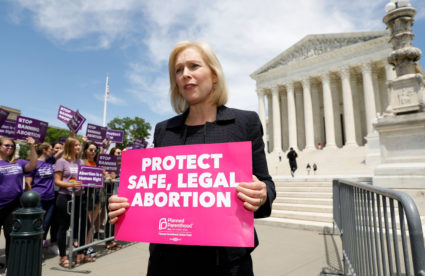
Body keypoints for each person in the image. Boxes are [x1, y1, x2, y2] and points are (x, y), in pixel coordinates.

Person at [108, 40, 276, 275]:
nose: (185, 74)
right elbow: (157, 192)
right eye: (178, 70)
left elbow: (267, 184)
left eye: (194, 66)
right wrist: (124, 205)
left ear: (214, 74)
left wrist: (261, 194)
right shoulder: (163, 130)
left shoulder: (244, 123)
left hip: (227, 264)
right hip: (167, 263)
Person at [54, 137, 93, 268]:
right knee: (64, 227)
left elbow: (85, 177)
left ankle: (80, 253)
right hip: (65, 198)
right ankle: (63, 256)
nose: (79, 147)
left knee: (84, 224)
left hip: (79, 197)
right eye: (76, 145)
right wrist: (71, 183)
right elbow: (57, 181)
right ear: (70, 147)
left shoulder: (81, 161)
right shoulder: (61, 161)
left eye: (79, 145)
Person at [0, 137, 37, 267]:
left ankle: (11, 263)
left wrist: (32, 147)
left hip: (14, 205)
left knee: (12, 235)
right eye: (6, 145)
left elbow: (32, 164)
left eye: (12, 146)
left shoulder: (18, 162)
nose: (10, 148)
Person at [24, 142, 58, 258]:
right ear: (44, 150)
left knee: (45, 225)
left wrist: (72, 135)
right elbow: (28, 182)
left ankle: (39, 250)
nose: (53, 150)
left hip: (51, 198)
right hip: (38, 198)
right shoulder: (34, 164)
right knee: (37, 225)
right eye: (50, 149)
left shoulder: (50, 161)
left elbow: (63, 151)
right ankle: (34, 251)